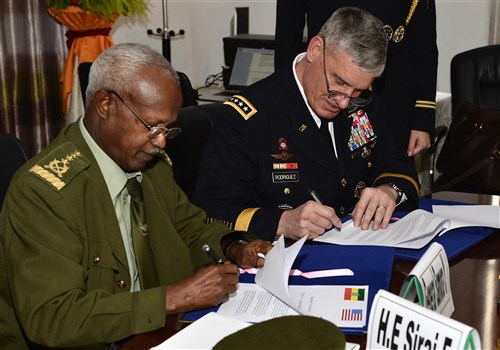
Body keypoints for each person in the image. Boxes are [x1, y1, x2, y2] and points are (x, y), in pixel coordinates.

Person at [0, 43, 272, 349]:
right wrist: (172, 298)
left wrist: (234, 246)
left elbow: (190, 229)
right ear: (105, 105)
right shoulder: (44, 193)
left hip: (156, 333)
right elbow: (53, 317)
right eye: (151, 126)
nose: (160, 142)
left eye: (167, 129)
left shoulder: (149, 165)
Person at [192, 7, 420, 242]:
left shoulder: (363, 101)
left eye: (356, 92)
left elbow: (399, 163)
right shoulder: (248, 118)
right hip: (282, 260)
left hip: (359, 247)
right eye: (338, 83)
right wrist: (280, 222)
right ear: (315, 49)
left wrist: (388, 190)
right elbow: (209, 212)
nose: (343, 103)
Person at [274, 0, 438, 157]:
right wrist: (288, 98)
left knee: (392, 171)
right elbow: (287, 34)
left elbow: (423, 44)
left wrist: (422, 118)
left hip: (391, 92)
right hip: (327, 86)